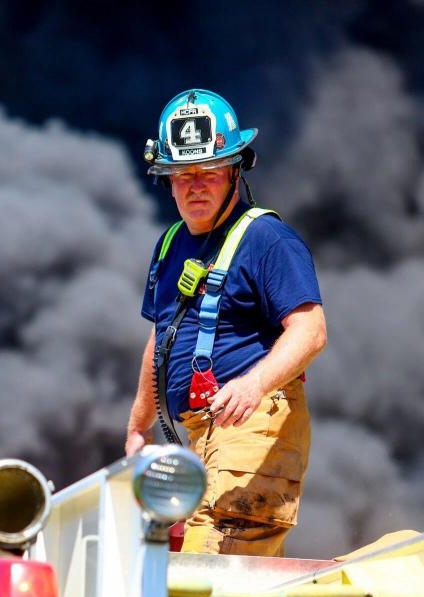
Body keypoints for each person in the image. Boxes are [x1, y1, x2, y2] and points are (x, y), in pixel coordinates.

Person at [125, 89, 327, 556]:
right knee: (171, 568)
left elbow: (311, 330)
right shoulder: (170, 243)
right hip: (201, 436)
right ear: (167, 180)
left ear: (235, 170)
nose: (196, 185)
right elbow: (161, 335)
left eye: (209, 172)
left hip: (253, 426)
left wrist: (253, 385)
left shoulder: (267, 238)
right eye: (182, 174)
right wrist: (138, 425)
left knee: (199, 574)